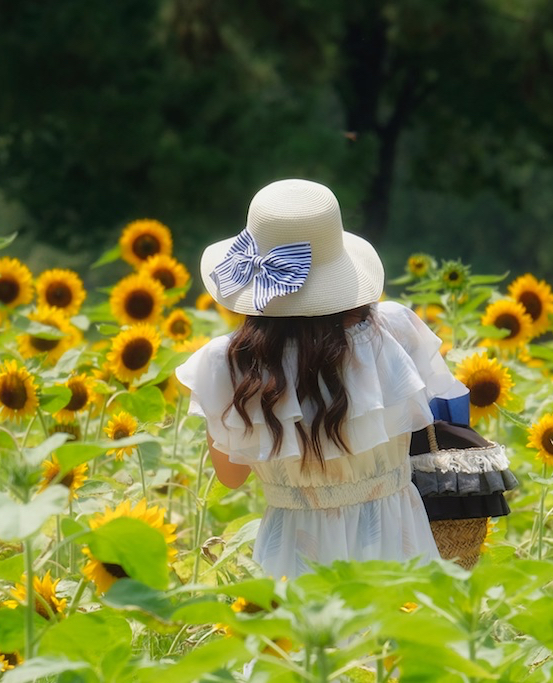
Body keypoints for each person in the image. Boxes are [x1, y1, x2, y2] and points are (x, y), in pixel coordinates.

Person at [175, 178, 469, 579]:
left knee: (303, 639)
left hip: (293, 552)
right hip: (397, 538)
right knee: (399, 634)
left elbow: (231, 476)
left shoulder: (225, 363)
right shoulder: (394, 331)